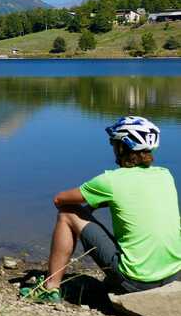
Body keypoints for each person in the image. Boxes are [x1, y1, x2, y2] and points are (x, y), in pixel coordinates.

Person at [21, 116, 181, 303]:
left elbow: (59, 199)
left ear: (122, 147)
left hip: (136, 282)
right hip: (173, 275)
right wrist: (95, 204)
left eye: (114, 143)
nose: (113, 148)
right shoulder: (165, 175)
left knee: (67, 213)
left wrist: (89, 205)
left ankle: (50, 288)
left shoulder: (111, 181)